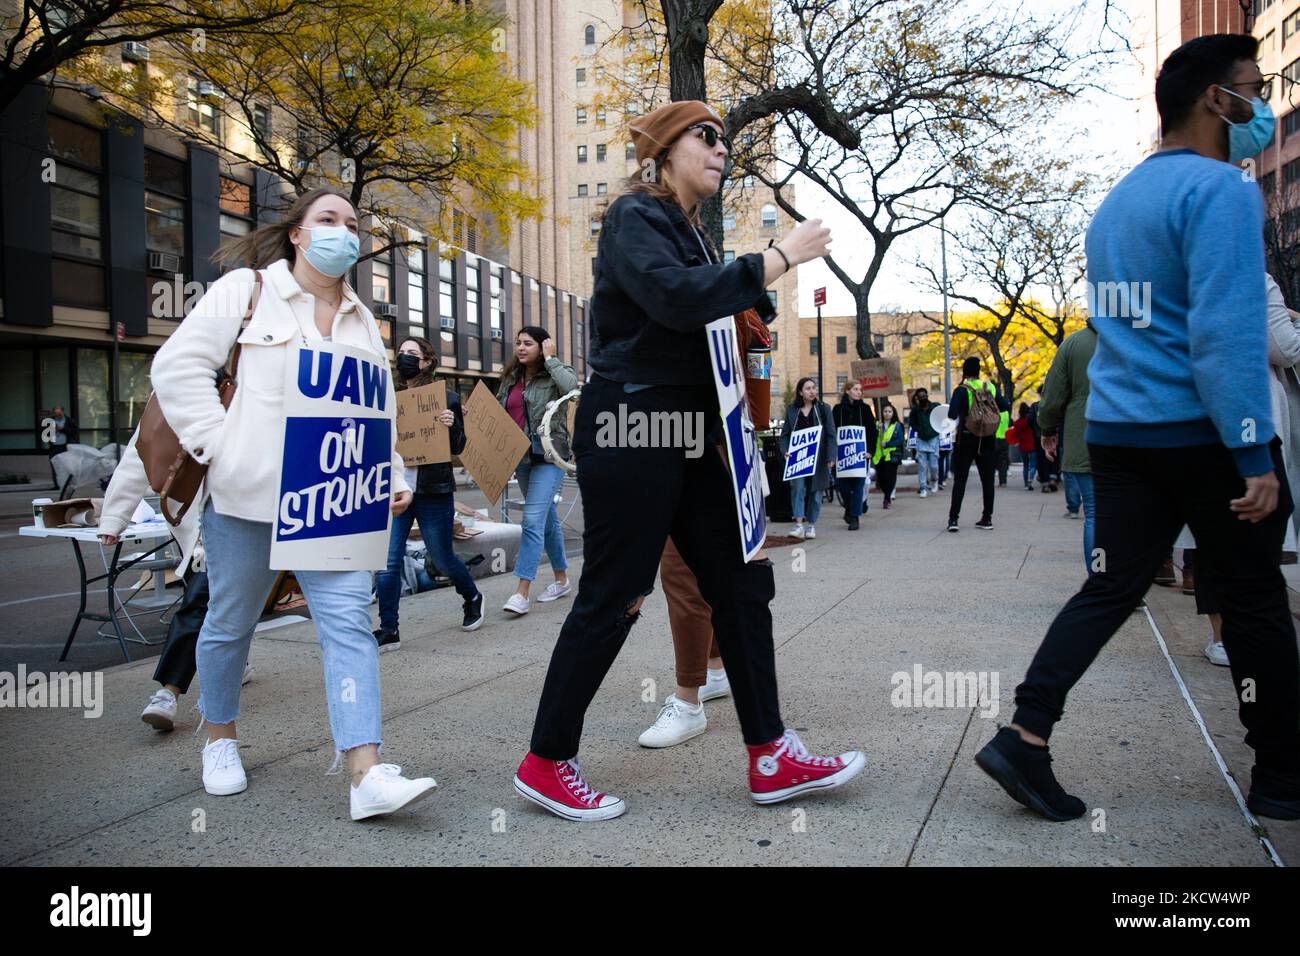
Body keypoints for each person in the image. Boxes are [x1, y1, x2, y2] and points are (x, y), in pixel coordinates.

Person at [975, 34, 1300, 822]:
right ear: (1213, 100)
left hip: (1122, 434)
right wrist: (1252, 449)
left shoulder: (1117, 202)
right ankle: (1283, 775)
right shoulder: (1222, 191)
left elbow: (1126, 325)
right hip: (1201, 435)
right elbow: (1223, 334)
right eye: (1253, 90)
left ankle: (1026, 732)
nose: (1261, 106)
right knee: (1255, 596)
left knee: (1112, 586)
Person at [512, 100, 864, 821]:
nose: (719, 149)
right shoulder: (634, 219)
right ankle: (546, 761)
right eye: (705, 138)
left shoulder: (695, 235)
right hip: (636, 422)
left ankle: (770, 753)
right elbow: (673, 301)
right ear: (665, 151)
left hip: (698, 431)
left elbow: (701, 311)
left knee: (743, 580)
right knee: (616, 593)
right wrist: (780, 256)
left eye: (724, 140)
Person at [151, 186, 436, 820]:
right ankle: (220, 737)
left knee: (348, 626)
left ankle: (364, 772)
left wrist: (388, 471)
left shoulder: (366, 322)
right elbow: (177, 367)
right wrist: (220, 446)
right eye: (328, 219)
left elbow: (373, 412)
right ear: (299, 234)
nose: (343, 231)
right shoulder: (247, 291)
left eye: (352, 223)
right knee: (229, 622)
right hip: (247, 497)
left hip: (334, 499)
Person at [97, 426, 252, 731]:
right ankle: (170, 691)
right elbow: (138, 455)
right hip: (202, 529)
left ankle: (218, 669)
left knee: (223, 604)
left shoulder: (252, 385)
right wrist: (114, 517)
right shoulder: (177, 392)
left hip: (251, 515)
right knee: (201, 602)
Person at [373, 336, 483, 651]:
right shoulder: (388, 399)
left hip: (433, 491)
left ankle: (472, 596)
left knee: (443, 559)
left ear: (426, 361)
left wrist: (452, 425)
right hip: (397, 489)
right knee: (389, 561)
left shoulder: (445, 398)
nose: (405, 357)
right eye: (402, 353)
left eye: (413, 353)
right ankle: (389, 628)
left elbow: (459, 446)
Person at [495, 326, 579, 617]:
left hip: (550, 455)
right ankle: (562, 580)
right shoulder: (511, 379)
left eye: (528, 343)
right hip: (521, 458)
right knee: (547, 521)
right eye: (517, 342)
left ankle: (522, 592)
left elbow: (573, 390)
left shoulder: (553, 373)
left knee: (532, 520)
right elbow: (499, 414)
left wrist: (551, 359)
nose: (520, 348)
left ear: (543, 346)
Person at [1038, 321, 1099, 575]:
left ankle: (1101, 581)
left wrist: (1048, 429)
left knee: (1095, 514)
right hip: (1133, 436)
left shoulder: (1073, 344)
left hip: (1085, 433)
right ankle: (1130, 583)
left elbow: (1052, 396)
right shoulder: (1135, 337)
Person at [944, 356, 1006, 532]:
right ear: (979, 371)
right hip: (987, 438)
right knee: (987, 480)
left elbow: (951, 413)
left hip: (966, 438)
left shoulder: (962, 390)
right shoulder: (990, 387)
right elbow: (1004, 406)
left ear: (964, 371)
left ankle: (953, 519)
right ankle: (987, 518)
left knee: (960, 480)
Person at [781, 376, 834, 539]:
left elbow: (832, 434)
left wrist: (832, 456)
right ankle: (798, 524)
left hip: (819, 458)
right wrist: (785, 451)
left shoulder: (823, 408)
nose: (812, 391)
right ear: (800, 392)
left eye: (813, 388)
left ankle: (811, 525)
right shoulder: (792, 410)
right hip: (798, 457)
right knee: (797, 488)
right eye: (808, 388)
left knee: (816, 492)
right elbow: (785, 435)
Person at [832, 380, 876, 529]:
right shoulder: (837, 410)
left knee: (858, 486)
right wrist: (833, 454)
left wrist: (870, 450)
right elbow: (832, 433)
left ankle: (855, 516)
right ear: (847, 391)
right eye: (856, 389)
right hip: (842, 456)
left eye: (860, 390)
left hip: (861, 455)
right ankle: (849, 509)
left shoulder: (865, 409)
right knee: (842, 486)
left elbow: (872, 432)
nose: (859, 392)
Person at [872, 402, 904, 509]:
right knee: (881, 479)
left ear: (893, 413)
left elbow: (900, 440)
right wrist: (877, 429)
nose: (887, 413)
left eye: (889, 411)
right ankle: (887, 493)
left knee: (890, 477)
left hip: (891, 455)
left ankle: (887, 498)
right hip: (879, 455)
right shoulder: (877, 424)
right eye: (885, 411)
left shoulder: (897, 425)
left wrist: (887, 444)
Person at [909, 387, 940, 497]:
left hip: (933, 438)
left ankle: (934, 480)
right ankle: (923, 487)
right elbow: (912, 423)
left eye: (924, 395)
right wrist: (919, 429)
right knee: (922, 465)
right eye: (920, 396)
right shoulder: (915, 410)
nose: (923, 398)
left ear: (927, 395)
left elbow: (941, 417)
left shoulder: (935, 407)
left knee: (933, 465)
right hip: (921, 439)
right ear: (917, 398)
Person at [1004, 403, 1037, 491]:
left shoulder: (1017, 423)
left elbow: (1015, 434)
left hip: (1022, 447)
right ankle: (1031, 478)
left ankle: (1026, 484)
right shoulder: (1029, 421)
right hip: (1032, 445)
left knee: (1025, 466)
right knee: (1033, 464)